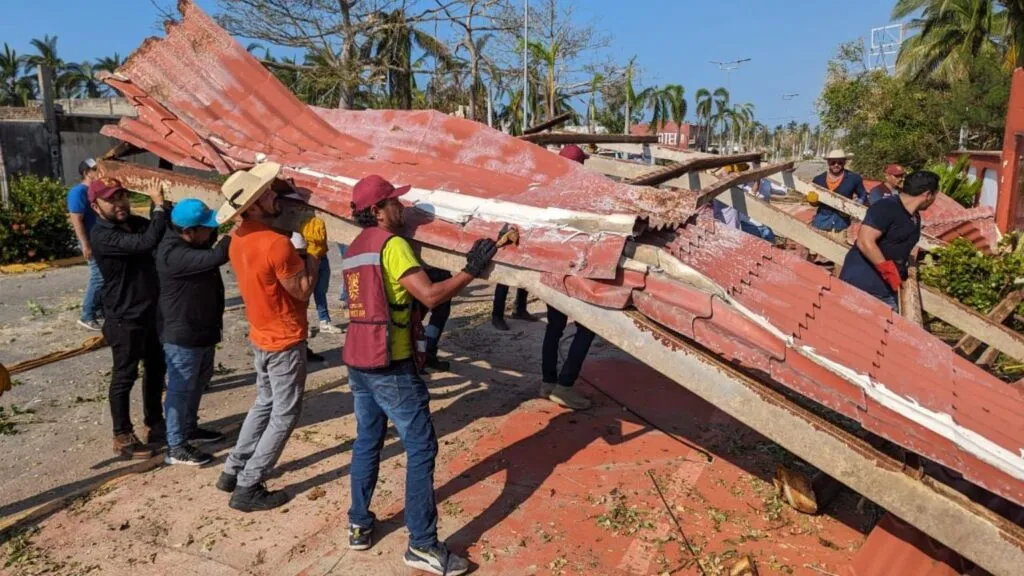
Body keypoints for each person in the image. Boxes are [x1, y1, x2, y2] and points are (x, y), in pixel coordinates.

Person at [343, 174, 497, 575]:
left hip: (358, 359)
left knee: (367, 440)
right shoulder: (392, 245)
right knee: (422, 447)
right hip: (388, 364)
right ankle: (423, 545)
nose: (403, 208)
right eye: (394, 202)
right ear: (377, 211)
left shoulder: (355, 247)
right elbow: (429, 295)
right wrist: (470, 271)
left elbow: (385, 300)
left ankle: (359, 524)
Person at [215, 162, 320, 512]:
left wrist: (301, 253)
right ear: (254, 206)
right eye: (268, 194)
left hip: (261, 335)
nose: (275, 196)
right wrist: (315, 253)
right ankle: (249, 484)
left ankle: (232, 469)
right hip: (284, 338)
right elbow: (302, 290)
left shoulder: (238, 238)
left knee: (263, 403)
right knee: (285, 414)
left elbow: (276, 279)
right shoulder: (276, 244)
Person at [89, 177, 168, 459]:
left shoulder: (134, 223)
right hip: (123, 316)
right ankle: (121, 436)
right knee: (124, 376)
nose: (118, 203)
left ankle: (155, 423)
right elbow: (146, 242)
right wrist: (158, 206)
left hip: (149, 311)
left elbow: (158, 231)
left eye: (121, 196)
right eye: (111, 200)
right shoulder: (102, 235)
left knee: (156, 369)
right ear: (96, 207)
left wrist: (163, 207)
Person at [156, 198, 231, 466]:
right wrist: (236, 232)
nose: (212, 233)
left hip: (201, 328)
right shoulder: (172, 253)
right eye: (207, 229)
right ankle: (175, 446)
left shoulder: (189, 242)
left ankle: (190, 428)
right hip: (182, 333)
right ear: (188, 231)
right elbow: (218, 255)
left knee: (200, 380)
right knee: (180, 388)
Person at [539, 144, 596, 411]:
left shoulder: (550, 190)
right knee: (588, 326)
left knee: (554, 326)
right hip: (574, 268)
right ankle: (565, 386)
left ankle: (548, 382)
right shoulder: (582, 194)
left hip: (551, 268)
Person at [839, 171, 939, 310]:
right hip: (864, 283)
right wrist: (889, 271)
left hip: (885, 287)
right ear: (927, 194)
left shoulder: (914, 216)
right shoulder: (886, 207)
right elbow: (865, 241)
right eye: (935, 196)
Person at [68, 158, 103, 330]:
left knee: (104, 275)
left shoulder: (96, 190)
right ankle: (87, 315)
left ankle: (98, 309)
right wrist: (85, 244)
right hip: (90, 240)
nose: (98, 171)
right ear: (86, 173)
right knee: (98, 277)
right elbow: (76, 219)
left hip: (100, 239)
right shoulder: (78, 192)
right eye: (95, 169)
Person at [811, 149, 867, 244]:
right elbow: (814, 203)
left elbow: (863, 194)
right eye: (833, 162)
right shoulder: (818, 180)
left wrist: (858, 203)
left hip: (841, 224)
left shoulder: (854, 178)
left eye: (840, 162)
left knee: (838, 254)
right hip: (821, 222)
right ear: (828, 162)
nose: (836, 165)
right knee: (815, 251)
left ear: (844, 162)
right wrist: (812, 201)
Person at [301, 215, 342, 337]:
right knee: (304, 292)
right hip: (302, 253)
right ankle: (303, 324)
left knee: (321, 290)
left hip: (320, 252)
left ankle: (324, 321)